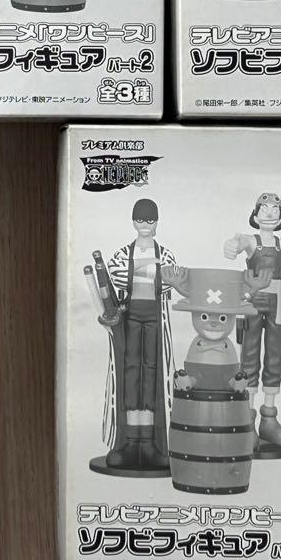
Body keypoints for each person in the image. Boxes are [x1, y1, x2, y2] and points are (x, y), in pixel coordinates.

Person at [224, 192, 281, 449]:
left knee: (274, 356)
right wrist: (232, 244)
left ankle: (269, 419)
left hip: (276, 307)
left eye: (275, 209)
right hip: (252, 304)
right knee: (249, 356)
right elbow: (237, 244)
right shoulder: (251, 241)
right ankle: (247, 419)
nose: (270, 213)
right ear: (255, 214)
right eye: (265, 208)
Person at [102, 199, 178, 470]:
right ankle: (128, 440)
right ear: (133, 222)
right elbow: (115, 274)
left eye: (150, 219)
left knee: (152, 372)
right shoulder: (123, 253)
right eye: (140, 219)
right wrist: (148, 271)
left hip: (156, 318)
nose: (145, 224)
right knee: (131, 370)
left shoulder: (165, 254)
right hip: (131, 317)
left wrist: (146, 273)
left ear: (157, 222)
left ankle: (150, 442)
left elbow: (171, 279)